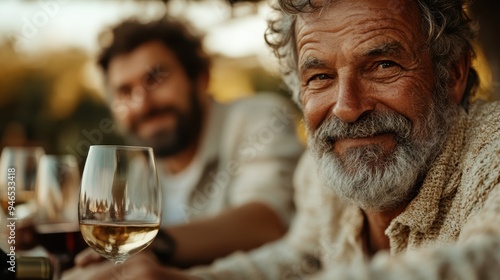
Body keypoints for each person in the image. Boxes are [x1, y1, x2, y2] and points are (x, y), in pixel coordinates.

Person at [64, 0, 500, 279]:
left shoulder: (492, 148)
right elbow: (297, 258)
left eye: (383, 65)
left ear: (452, 75)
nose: (347, 107)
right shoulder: (320, 171)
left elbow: (484, 263)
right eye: (320, 77)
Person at [63, 16, 304, 276]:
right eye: (124, 92)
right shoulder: (140, 169)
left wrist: (152, 243)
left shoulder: (258, 119)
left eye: (155, 79)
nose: (142, 104)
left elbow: (267, 222)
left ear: (200, 78)